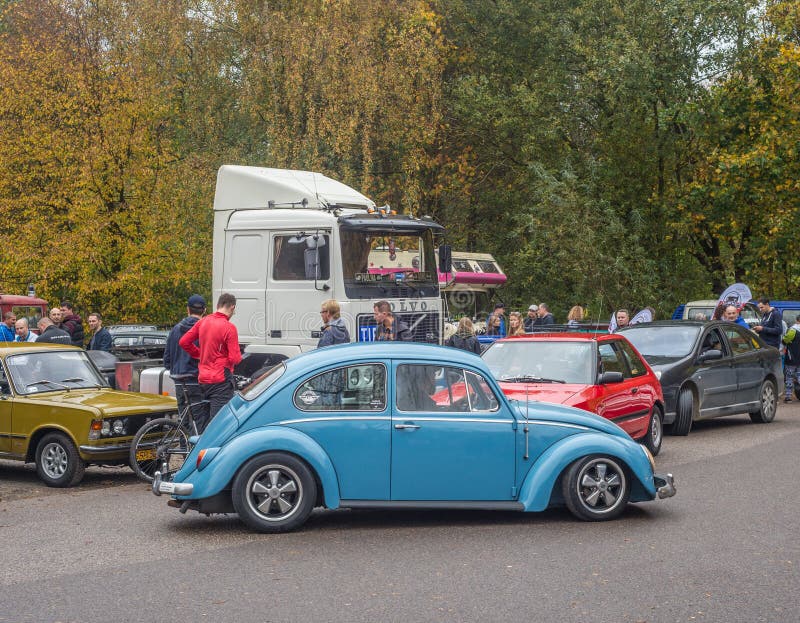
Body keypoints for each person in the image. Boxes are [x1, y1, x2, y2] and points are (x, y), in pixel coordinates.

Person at [179, 293, 242, 425]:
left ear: (218, 305)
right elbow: (235, 358)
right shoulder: (229, 327)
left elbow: (184, 342)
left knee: (205, 420)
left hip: (203, 379)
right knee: (218, 423)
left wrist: (199, 354)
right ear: (232, 307)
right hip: (221, 379)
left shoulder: (203, 321)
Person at [165, 295, 207, 428]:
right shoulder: (204, 329)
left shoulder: (175, 330)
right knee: (200, 419)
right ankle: (196, 447)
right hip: (195, 379)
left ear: (187, 309)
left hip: (178, 380)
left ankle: (183, 446)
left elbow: (167, 359)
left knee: (183, 418)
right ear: (204, 310)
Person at [782, 314, 800, 402]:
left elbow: (785, 340)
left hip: (791, 357)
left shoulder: (792, 330)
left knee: (789, 377)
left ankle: (788, 397)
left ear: (797, 320)